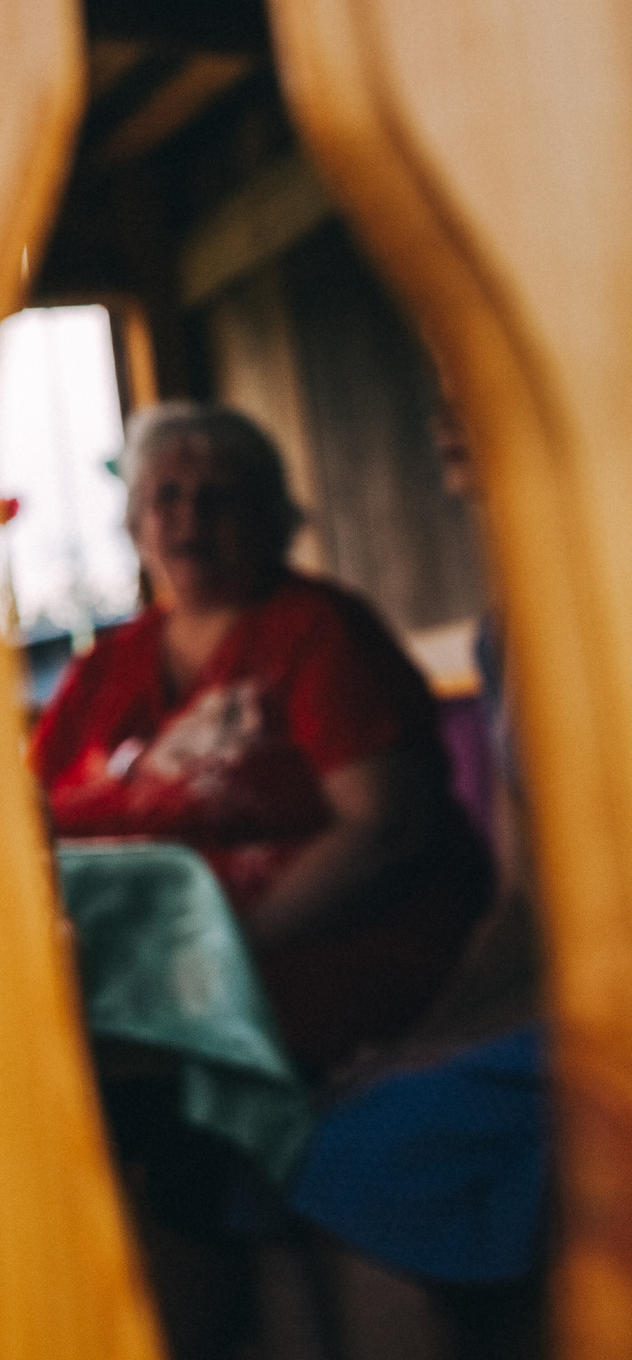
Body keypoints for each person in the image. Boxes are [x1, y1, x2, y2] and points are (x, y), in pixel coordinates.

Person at [34, 402, 490, 1076]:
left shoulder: (319, 630)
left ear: (269, 519)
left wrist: (226, 946)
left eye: (219, 498)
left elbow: (384, 830)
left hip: (313, 950)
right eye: (168, 497)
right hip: (126, 960)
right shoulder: (106, 665)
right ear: (137, 524)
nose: (191, 516)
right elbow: (24, 816)